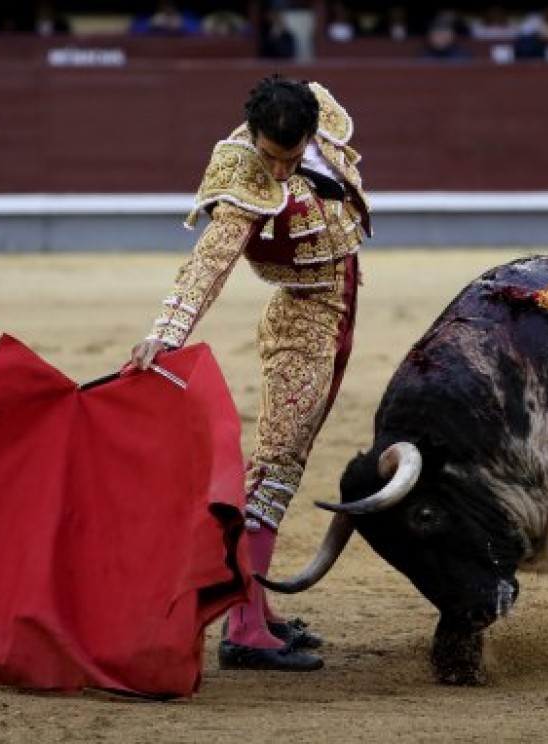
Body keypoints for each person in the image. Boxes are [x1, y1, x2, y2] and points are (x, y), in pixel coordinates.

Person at [129, 76, 371, 672]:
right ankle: (243, 628)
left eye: (290, 158)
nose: (280, 170)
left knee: (287, 462)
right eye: (271, 156)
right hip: (301, 321)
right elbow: (209, 261)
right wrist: (166, 333)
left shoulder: (322, 120)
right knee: (275, 466)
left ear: (310, 134)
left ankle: (258, 610)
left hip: (337, 307)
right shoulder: (241, 173)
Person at [129, 0, 201, 36]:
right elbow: (132, 33)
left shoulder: (187, 14)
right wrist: (151, 24)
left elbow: (200, 33)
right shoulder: (146, 14)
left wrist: (182, 25)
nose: (168, 9)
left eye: (170, 4)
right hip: (154, 53)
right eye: (165, 4)